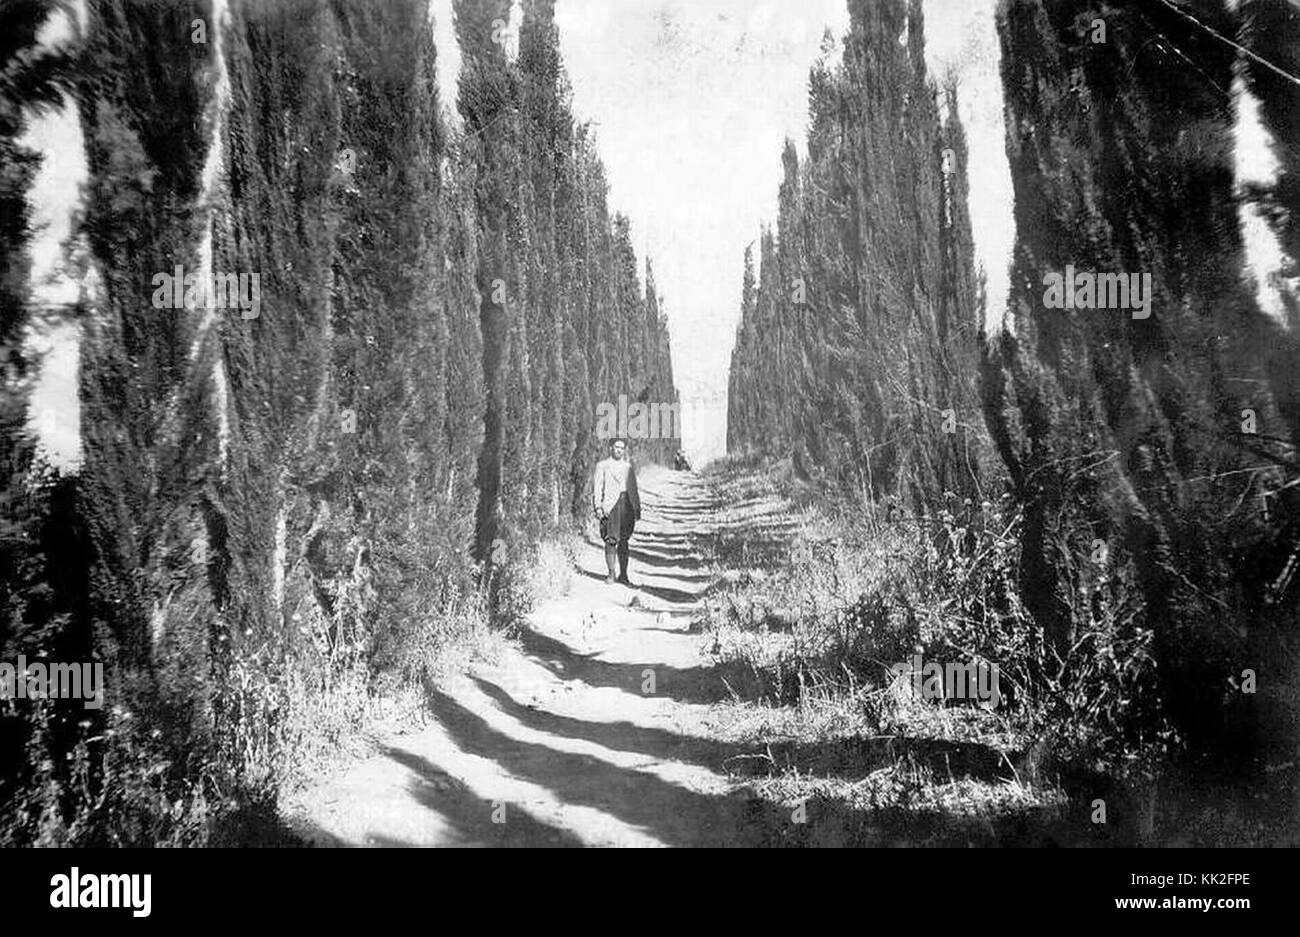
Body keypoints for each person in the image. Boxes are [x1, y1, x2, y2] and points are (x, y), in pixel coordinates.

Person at [591, 438, 641, 586]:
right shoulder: (602, 466)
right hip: (610, 505)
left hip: (626, 505)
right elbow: (597, 487)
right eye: (616, 447)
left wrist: (636, 507)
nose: (619, 450)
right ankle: (611, 573)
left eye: (622, 448)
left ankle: (624, 575)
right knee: (610, 539)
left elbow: (634, 489)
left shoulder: (628, 468)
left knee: (624, 540)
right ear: (610, 448)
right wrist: (598, 507)